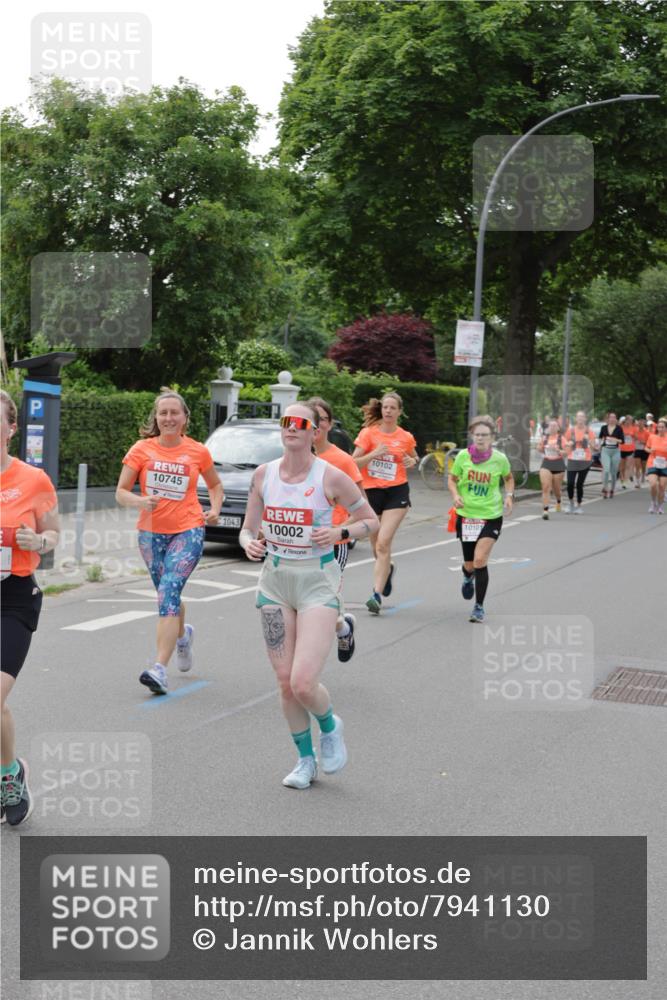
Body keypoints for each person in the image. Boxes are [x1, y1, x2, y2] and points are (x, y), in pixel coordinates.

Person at [240, 403, 378, 790]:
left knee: (303, 682)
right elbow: (248, 529)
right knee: (284, 682)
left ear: (316, 432)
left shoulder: (330, 477)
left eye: (301, 423)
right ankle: (305, 760)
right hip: (275, 583)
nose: (292, 428)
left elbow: (370, 521)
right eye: (286, 422)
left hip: (317, 582)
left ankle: (331, 726)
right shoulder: (264, 475)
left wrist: (339, 534)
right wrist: (249, 543)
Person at [115, 388, 223, 694]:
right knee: (167, 593)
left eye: (174, 412)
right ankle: (182, 636)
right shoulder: (141, 449)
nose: (168, 418)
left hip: (188, 529)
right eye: (163, 413)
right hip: (150, 533)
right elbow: (121, 491)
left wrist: (213, 509)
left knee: (169, 590)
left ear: (185, 418)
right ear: (156, 418)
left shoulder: (197, 451)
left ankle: (159, 668)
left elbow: (215, 485)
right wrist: (139, 501)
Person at [1, 390, 60, 826]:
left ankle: (8, 777)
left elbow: (54, 532)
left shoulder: (33, 479)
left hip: (14, 599)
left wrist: (38, 542)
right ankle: (10, 771)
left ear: (12, 428)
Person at [309, 396, 365, 662]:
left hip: (332, 544)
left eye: (320, 419)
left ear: (329, 424)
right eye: (310, 419)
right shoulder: (293, 458)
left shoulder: (342, 461)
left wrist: (339, 530)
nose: (315, 424)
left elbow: (362, 510)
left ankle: (342, 629)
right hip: (297, 544)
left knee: (322, 603)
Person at [352, 393, 418, 614]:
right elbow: (353, 463)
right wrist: (374, 454)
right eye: (385, 407)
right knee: (375, 547)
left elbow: (413, 457)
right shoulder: (368, 434)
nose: (388, 411)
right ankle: (387, 568)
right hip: (372, 493)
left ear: (399, 411)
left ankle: (376, 595)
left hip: (396, 492)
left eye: (393, 408)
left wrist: (412, 461)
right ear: (381, 410)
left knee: (383, 543)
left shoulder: (405, 437)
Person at [448, 415, 514, 623]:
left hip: (491, 515)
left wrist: (509, 496)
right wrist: (456, 495)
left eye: (485, 435)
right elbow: (452, 479)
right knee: (469, 564)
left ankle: (479, 606)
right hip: (467, 515)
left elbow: (509, 478)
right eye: (477, 435)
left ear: (492, 437)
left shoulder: (499, 459)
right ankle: (468, 577)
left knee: (479, 560)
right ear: (471, 436)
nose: (480, 438)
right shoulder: (462, 458)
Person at [564, 412, 595, 513]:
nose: (580, 419)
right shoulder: (571, 430)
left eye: (582, 417)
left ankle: (579, 505)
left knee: (579, 484)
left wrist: (590, 442)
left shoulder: (589, 432)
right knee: (570, 483)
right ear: (576, 419)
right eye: (578, 417)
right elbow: (564, 444)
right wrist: (568, 444)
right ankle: (570, 502)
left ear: (585, 419)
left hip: (585, 460)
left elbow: (595, 447)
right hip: (572, 460)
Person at [537, 418, 566, 519]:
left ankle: (558, 501)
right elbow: (539, 448)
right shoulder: (544, 438)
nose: (552, 427)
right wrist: (540, 448)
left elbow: (566, 452)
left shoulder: (561, 438)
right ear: (548, 428)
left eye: (554, 426)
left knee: (556, 489)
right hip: (546, 463)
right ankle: (545, 511)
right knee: (545, 487)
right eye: (551, 426)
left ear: (558, 428)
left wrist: (559, 450)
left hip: (558, 463)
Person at [597, 412, 624, 498]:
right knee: (606, 470)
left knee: (613, 472)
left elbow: (622, 441)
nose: (612, 419)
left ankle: (612, 489)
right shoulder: (603, 428)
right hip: (605, 451)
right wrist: (599, 445)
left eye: (614, 417)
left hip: (615, 451)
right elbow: (600, 438)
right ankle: (605, 489)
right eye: (611, 417)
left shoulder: (619, 428)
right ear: (608, 419)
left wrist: (615, 439)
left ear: (616, 419)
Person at [645, 417, 667, 514]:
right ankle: (653, 502)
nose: (660, 429)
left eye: (662, 427)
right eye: (659, 427)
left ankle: (660, 506)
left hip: (664, 464)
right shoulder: (652, 437)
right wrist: (650, 450)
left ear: (666, 428)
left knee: (662, 486)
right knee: (653, 484)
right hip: (653, 463)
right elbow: (646, 448)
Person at [619, 416, 636, 488]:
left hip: (630, 449)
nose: (629, 422)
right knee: (621, 467)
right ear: (625, 420)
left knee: (627, 466)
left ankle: (625, 481)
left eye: (631, 421)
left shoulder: (634, 428)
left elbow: (635, 438)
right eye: (628, 420)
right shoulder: (620, 427)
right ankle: (622, 478)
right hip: (621, 449)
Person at [633, 417, 650, 488]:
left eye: (642, 423)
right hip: (637, 450)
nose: (640, 425)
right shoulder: (635, 431)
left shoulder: (647, 432)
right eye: (639, 423)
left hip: (644, 450)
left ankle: (643, 475)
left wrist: (641, 441)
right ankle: (637, 482)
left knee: (643, 466)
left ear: (644, 424)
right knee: (637, 466)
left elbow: (648, 443)